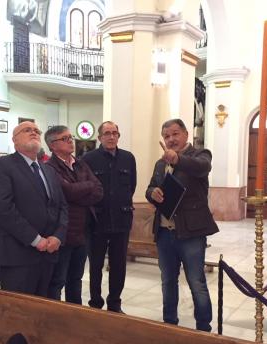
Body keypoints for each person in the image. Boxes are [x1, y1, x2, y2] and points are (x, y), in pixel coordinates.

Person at [0, 120, 68, 344]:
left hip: (48, 253)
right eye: (27, 130)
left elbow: (62, 207)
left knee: (39, 311)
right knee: (17, 312)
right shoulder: (3, 166)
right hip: (19, 254)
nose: (34, 132)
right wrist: (36, 240)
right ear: (14, 139)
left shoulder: (47, 170)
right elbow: (4, 209)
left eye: (37, 130)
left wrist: (57, 236)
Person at [145, 118, 219, 332]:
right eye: (166, 136)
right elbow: (150, 188)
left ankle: (203, 327)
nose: (171, 139)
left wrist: (177, 159)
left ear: (186, 134)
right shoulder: (161, 163)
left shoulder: (200, 155)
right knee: (168, 281)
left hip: (191, 233)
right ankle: (170, 324)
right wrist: (153, 194)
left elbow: (201, 168)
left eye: (175, 134)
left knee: (196, 282)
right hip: (164, 233)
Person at [45, 125, 103, 304]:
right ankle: (54, 318)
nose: (71, 141)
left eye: (71, 137)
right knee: (57, 281)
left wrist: (79, 192)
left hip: (83, 231)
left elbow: (99, 190)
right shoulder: (50, 167)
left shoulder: (80, 163)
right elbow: (67, 192)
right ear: (52, 145)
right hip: (64, 232)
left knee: (76, 279)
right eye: (65, 138)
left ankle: (74, 315)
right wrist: (86, 187)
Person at [82, 121, 136, 313]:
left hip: (121, 221)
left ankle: (115, 303)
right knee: (95, 265)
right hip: (97, 222)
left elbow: (131, 186)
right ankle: (95, 303)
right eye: (107, 133)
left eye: (115, 133)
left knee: (118, 266)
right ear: (99, 137)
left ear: (118, 136)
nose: (111, 136)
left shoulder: (128, 158)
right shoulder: (88, 159)